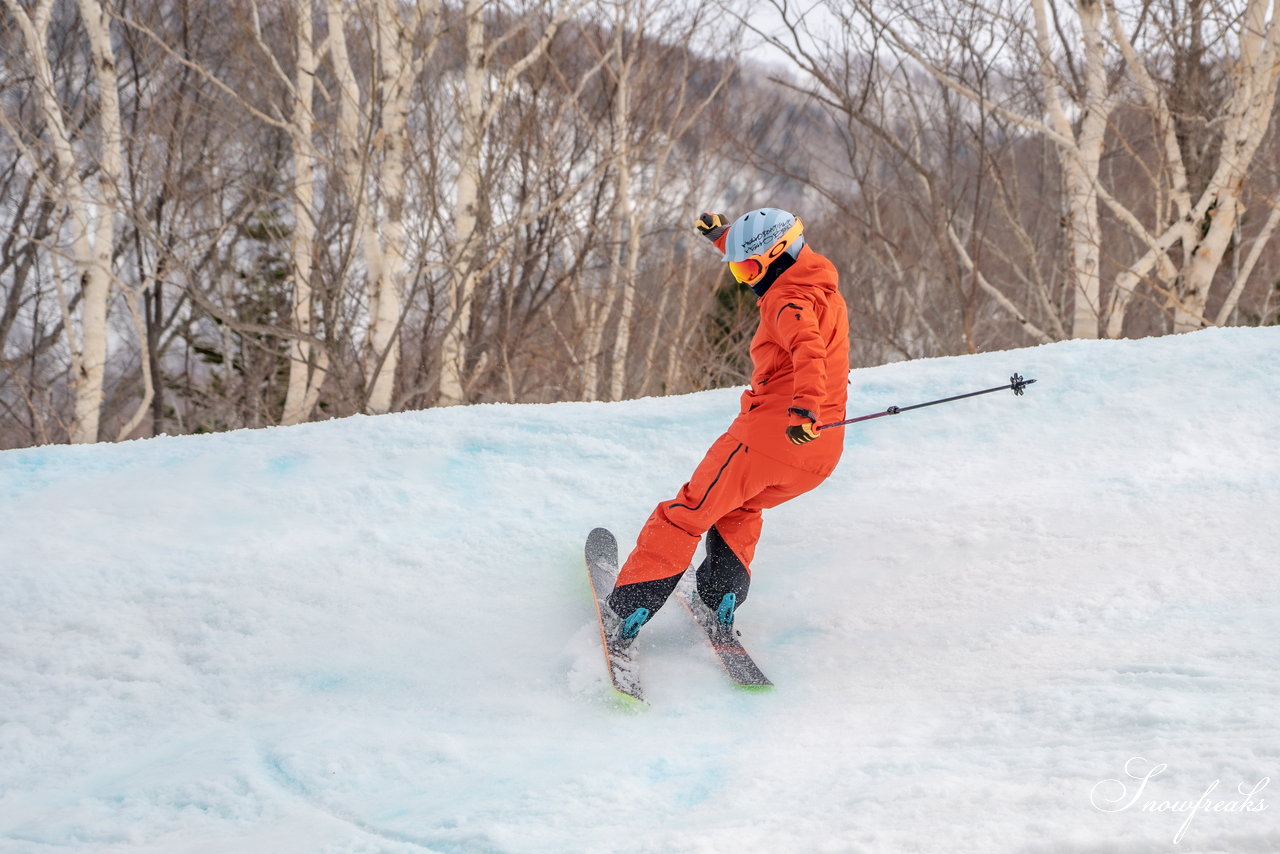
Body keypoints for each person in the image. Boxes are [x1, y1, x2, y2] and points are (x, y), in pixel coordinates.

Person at [603, 207, 850, 646]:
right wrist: (724, 238)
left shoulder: (786, 300)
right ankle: (721, 598)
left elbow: (808, 349)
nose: (746, 280)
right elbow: (771, 267)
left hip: (774, 435)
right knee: (740, 507)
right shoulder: (818, 285)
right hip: (819, 453)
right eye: (737, 269)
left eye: (748, 268)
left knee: (689, 512)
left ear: (778, 256)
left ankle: (625, 611)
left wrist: (803, 409)